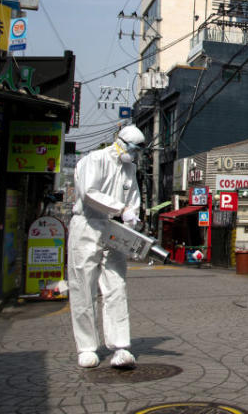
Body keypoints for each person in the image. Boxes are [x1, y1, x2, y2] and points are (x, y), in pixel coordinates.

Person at [68, 124, 145, 369]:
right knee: (83, 285)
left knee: (116, 285)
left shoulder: (130, 169)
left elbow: (133, 199)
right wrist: (120, 208)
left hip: (114, 230)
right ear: (120, 141)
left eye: (137, 151)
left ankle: (120, 346)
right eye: (132, 149)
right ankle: (87, 346)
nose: (134, 154)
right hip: (87, 224)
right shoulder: (95, 159)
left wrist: (133, 215)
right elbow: (88, 192)